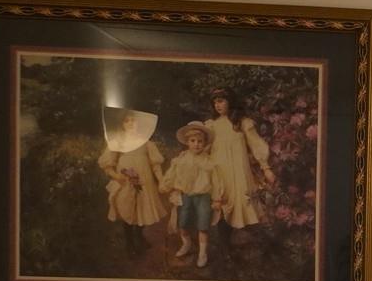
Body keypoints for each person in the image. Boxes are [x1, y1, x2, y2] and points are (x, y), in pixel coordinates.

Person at [97, 108, 169, 259]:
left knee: (142, 208)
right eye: (127, 121)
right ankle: (129, 243)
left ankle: (139, 237)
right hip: (125, 180)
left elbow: (155, 164)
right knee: (127, 208)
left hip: (144, 179)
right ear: (122, 124)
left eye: (133, 120)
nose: (131, 123)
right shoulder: (118, 141)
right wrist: (117, 176)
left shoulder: (145, 142)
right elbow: (107, 164)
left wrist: (161, 180)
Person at [204, 88, 275, 232]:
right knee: (222, 202)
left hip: (239, 171)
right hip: (220, 171)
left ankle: (250, 241)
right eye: (215, 102)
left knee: (243, 202)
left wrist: (266, 168)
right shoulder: (212, 125)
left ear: (231, 102)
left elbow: (256, 145)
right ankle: (225, 247)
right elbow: (205, 149)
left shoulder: (242, 123)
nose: (217, 105)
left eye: (221, 101)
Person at [160, 122, 224, 268]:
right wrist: (166, 185)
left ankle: (202, 253)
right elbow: (172, 174)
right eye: (193, 141)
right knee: (182, 223)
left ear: (205, 143)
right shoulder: (181, 159)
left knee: (203, 225)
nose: (196, 145)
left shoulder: (209, 161)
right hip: (185, 195)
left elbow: (216, 180)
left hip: (203, 196)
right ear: (187, 142)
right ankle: (187, 243)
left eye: (200, 141)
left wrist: (217, 198)